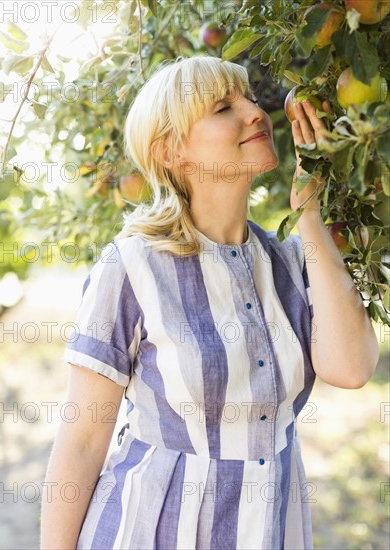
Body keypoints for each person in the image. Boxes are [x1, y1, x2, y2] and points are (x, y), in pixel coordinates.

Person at [40, 55, 378, 550]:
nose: (255, 112)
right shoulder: (130, 266)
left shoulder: (288, 261)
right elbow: (83, 441)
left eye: (248, 97)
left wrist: (309, 212)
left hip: (270, 533)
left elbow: (352, 368)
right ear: (172, 150)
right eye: (224, 107)